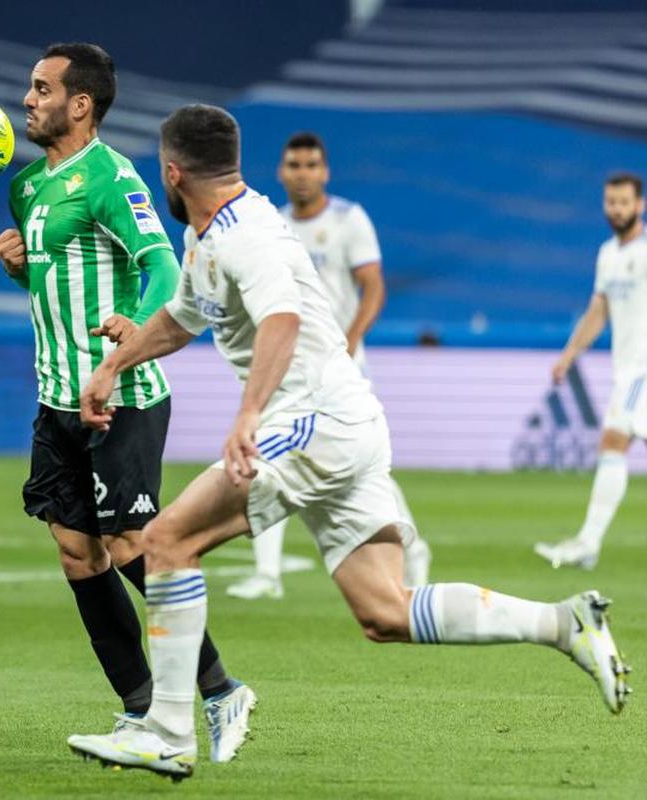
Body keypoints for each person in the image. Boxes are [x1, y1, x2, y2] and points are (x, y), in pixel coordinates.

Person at [66, 105, 629, 782]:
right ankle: (564, 623)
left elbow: (281, 318)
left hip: (311, 423)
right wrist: (114, 366)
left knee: (163, 543)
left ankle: (167, 730)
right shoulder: (210, 237)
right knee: (385, 612)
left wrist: (249, 415)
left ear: (172, 170)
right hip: (348, 425)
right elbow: (185, 318)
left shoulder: (248, 238)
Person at [0, 42, 253, 762]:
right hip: (57, 397)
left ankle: (219, 688)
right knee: (78, 554)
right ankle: (140, 708)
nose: (28, 100)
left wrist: (132, 333)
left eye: (42, 89)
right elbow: (53, 285)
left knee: (134, 546)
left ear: (81, 104)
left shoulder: (112, 178)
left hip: (123, 393)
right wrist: (18, 271)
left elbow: (160, 260)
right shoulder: (27, 189)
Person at [227, 132, 431, 600]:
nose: (302, 173)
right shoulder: (272, 224)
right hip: (288, 363)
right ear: (281, 172)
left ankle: (413, 548)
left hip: (339, 364)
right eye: (294, 165)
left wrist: (351, 338)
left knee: (362, 467)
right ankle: (268, 573)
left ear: (325, 172)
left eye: (311, 165)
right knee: (265, 447)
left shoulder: (347, 220)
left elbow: (373, 286)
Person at [536, 172, 646, 570]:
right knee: (612, 446)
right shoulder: (608, 254)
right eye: (610, 202)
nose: (616, 209)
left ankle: (587, 542)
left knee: (613, 442)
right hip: (629, 370)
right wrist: (569, 356)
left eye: (623, 202)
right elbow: (599, 311)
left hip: (643, 373)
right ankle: (588, 542)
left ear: (640, 205)